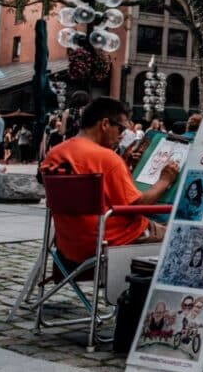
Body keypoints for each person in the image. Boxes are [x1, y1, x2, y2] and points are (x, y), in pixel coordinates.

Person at [39, 97, 178, 263]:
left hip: (69, 247)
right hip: (113, 241)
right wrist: (165, 179)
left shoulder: (54, 154)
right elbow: (137, 206)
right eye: (120, 130)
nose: (121, 136)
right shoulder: (106, 158)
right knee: (179, 237)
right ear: (105, 124)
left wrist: (124, 163)